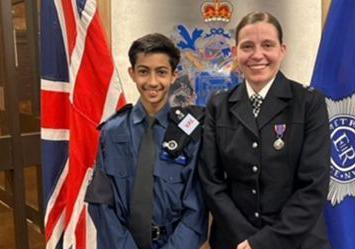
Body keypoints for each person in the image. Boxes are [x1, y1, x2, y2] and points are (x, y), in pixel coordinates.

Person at [198, 11, 331, 249]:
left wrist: (263, 243)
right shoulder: (218, 106)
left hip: (296, 240)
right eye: (247, 46)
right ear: (235, 53)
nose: (257, 55)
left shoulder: (309, 103)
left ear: (282, 50)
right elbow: (211, 182)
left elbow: (313, 186)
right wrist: (247, 241)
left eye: (267, 45)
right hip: (235, 240)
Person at [85, 33, 207, 249]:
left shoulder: (189, 135)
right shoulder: (112, 133)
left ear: (173, 76)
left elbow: (196, 209)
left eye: (161, 72)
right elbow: (101, 203)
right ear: (132, 73)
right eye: (143, 71)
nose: (152, 82)